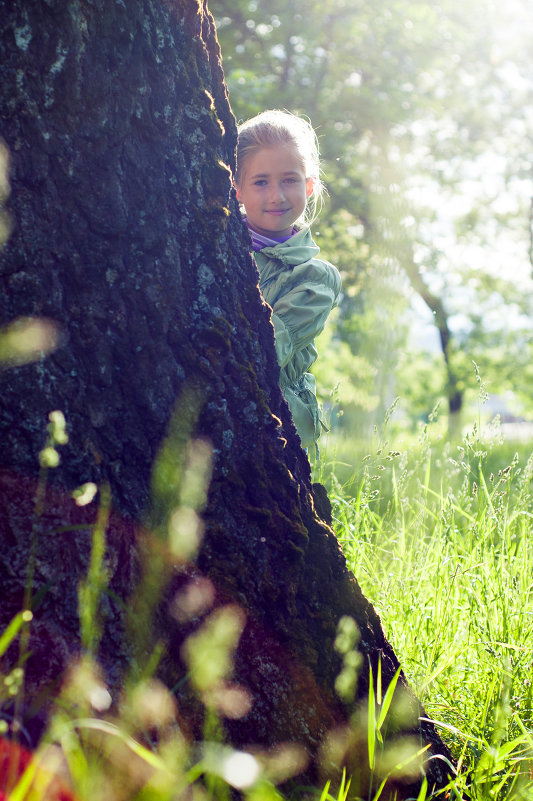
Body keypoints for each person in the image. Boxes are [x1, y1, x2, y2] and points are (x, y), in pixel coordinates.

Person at [235, 109, 341, 452]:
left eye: (290, 180)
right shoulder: (216, 242)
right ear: (236, 188)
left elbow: (269, 348)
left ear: (309, 186)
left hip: (280, 428)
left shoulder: (316, 279)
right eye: (261, 181)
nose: (276, 195)